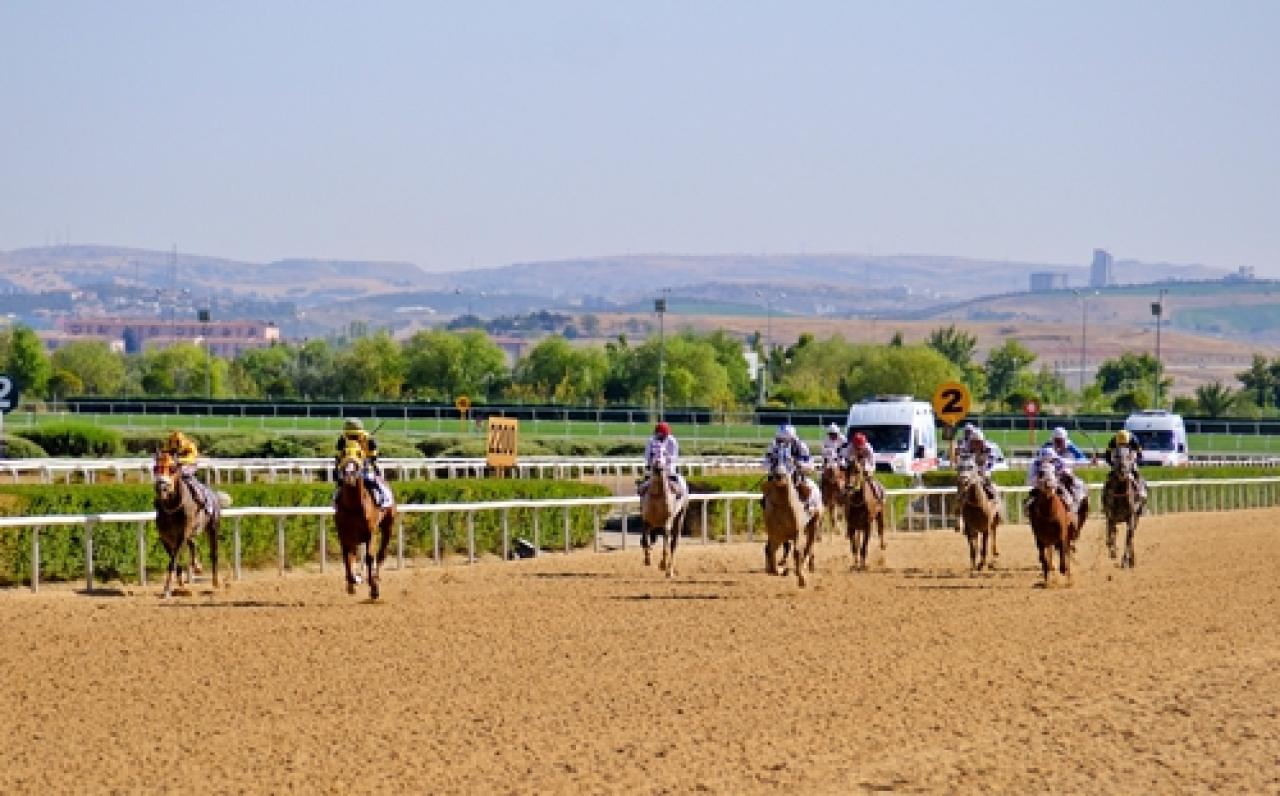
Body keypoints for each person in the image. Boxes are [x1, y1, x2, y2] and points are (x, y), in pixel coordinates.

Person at [334, 418, 393, 508]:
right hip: (347, 469)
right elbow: (338, 456)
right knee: (340, 485)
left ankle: (385, 499)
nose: (352, 438)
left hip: (365, 467)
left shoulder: (369, 439)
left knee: (375, 481)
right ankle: (336, 501)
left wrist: (371, 462)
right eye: (350, 435)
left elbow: (373, 456)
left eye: (355, 435)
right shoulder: (342, 439)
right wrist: (338, 469)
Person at [763, 424, 821, 515]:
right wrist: (771, 466)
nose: (782, 442)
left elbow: (810, 464)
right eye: (780, 439)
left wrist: (797, 463)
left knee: (807, 486)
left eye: (784, 439)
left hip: (795, 473)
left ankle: (809, 505)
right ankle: (766, 505)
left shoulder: (800, 446)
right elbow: (766, 461)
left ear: (791, 438)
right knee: (767, 486)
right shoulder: (774, 446)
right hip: (777, 473)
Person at [952, 427, 1000, 530]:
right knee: (961, 489)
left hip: (984, 470)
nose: (976, 444)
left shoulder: (989, 448)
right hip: (971, 472)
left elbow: (990, 463)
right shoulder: (967, 447)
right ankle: (959, 516)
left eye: (978, 442)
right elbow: (964, 461)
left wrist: (983, 472)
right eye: (974, 442)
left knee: (992, 488)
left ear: (982, 441)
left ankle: (997, 512)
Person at [1025, 446, 1086, 515]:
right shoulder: (1034, 464)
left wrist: (1091, 462)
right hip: (1040, 486)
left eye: (1051, 461)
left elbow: (1076, 463)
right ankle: (1029, 512)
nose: (1048, 462)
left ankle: (1071, 513)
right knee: (1029, 503)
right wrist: (1039, 480)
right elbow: (1028, 481)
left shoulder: (1060, 461)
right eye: (1044, 460)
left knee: (1068, 498)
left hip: (1056, 484)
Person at [163, 430, 212, 512]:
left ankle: (204, 501)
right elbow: (164, 455)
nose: (174, 447)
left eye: (176, 443)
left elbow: (191, 459)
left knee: (186, 477)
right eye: (172, 443)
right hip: (176, 466)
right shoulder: (169, 446)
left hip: (190, 465)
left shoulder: (190, 446)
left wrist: (178, 460)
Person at [638, 422, 685, 499]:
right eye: (658, 433)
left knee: (671, 473)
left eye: (661, 433)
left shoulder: (672, 441)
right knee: (647, 476)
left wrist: (665, 459)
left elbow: (674, 456)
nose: (659, 435)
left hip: (668, 465)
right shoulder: (651, 440)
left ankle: (677, 490)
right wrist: (652, 461)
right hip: (653, 464)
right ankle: (642, 490)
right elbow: (647, 455)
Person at [1105, 429, 1148, 510]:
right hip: (1118, 461)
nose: (1122, 446)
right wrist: (1112, 464)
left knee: (1136, 473)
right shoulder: (1113, 440)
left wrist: (1134, 463)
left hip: (1131, 459)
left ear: (1128, 441)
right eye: (1120, 444)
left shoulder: (1133, 439)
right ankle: (1105, 497)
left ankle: (1142, 493)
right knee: (1110, 476)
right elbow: (1107, 455)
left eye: (1124, 444)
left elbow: (1140, 455)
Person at [845, 432, 886, 501]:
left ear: (863, 444)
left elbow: (872, 463)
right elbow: (846, 459)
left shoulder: (869, 448)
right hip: (854, 464)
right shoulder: (850, 447)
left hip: (867, 464)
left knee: (869, 478)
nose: (858, 449)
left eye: (860, 447)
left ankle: (878, 495)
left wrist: (868, 469)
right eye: (856, 447)